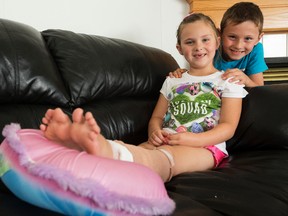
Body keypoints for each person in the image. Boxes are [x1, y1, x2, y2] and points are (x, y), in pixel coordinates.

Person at [40, 13, 248, 182]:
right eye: (190, 42)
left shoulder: (227, 81)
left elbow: (228, 127)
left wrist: (192, 139)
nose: (198, 47)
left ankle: (102, 150)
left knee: (164, 160)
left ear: (217, 42)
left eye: (205, 39)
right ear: (179, 48)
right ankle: (84, 156)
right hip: (164, 140)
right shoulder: (172, 80)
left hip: (205, 148)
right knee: (138, 151)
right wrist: (155, 132)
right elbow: (157, 118)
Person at [169, 2, 268, 87]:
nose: (238, 45)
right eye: (232, 37)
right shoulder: (210, 48)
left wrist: (246, 80)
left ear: (258, 39)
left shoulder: (256, 49)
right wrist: (183, 74)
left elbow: (259, 90)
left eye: (248, 38)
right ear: (219, 34)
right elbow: (196, 74)